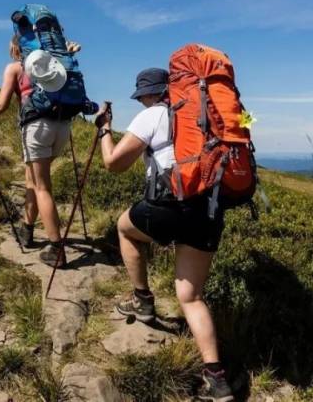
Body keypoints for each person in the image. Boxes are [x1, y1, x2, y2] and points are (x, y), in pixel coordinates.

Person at [93, 68, 234, 402]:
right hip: (208, 210)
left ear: (148, 94)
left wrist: (104, 131)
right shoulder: (205, 115)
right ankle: (216, 379)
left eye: (141, 95)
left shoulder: (152, 115)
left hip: (168, 208)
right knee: (191, 296)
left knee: (124, 228)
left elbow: (113, 164)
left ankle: (142, 300)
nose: (141, 100)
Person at [0, 36, 80, 267]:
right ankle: (27, 230)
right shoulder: (55, 63)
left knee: (42, 186)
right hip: (63, 127)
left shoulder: (15, 68)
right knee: (32, 181)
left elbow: (1, 105)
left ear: (16, 48)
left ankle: (56, 249)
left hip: (36, 128)